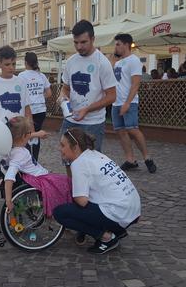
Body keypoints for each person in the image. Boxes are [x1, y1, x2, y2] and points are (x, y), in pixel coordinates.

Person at [53, 128, 141, 254]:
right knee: (87, 203)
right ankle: (118, 231)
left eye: (62, 145)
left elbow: (81, 201)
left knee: (60, 213)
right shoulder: (95, 154)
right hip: (133, 210)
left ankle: (107, 238)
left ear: (76, 146)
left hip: (120, 213)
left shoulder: (79, 163)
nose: (59, 148)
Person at [58, 20, 117, 152]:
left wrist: (87, 109)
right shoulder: (71, 62)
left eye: (83, 42)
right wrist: (62, 97)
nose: (79, 47)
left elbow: (112, 96)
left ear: (93, 39)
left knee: (91, 163)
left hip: (93, 123)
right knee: (68, 158)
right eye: (76, 42)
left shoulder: (102, 62)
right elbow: (66, 88)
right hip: (70, 120)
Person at [3, 116, 71, 217]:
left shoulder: (12, 150)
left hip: (37, 175)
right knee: (66, 183)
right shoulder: (21, 154)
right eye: (29, 133)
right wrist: (8, 200)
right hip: (41, 178)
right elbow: (9, 176)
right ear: (24, 136)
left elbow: (7, 166)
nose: (31, 135)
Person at [112, 33, 157, 173]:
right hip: (116, 103)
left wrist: (127, 103)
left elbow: (135, 84)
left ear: (126, 45)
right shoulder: (118, 62)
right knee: (120, 131)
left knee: (132, 129)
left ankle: (147, 158)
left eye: (118, 44)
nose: (116, 47)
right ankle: (130, 160)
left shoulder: (134, 61)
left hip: (129, 102)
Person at [0, 45, 33, 122]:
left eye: (13, 64)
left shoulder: (21, 82)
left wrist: (32, 132)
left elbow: (27, 109)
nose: (11, 67)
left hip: (18, 130)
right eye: (7, 64)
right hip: (0, 130)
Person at [18, 52, 52, 161]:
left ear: (26, 62)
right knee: (36, 135)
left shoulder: (21, 76)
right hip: (41, 110)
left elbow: (19, 93)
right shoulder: (41, 75)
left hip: (28, 110)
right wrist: (38, 96)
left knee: (26, 135)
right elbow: (49, 93)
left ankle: (28, 160)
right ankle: (35, 160)